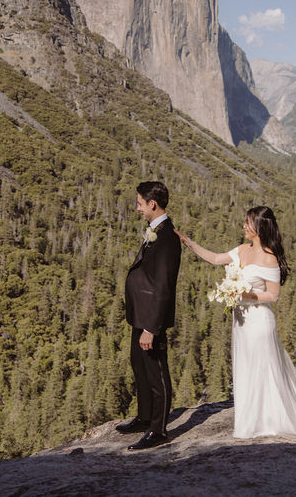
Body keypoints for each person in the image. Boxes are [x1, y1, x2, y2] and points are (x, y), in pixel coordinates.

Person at [176, 206, 296, 439]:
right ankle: (251, 420)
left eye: (247, 222)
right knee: (246, 367)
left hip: (259, 320)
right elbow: (215, 258)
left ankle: (268, 420)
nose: (243, 226)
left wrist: (244, 295)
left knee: (263, 368)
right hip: (241, 321)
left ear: (259, 227)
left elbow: (273, 296)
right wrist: (188, 242)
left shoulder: (269, 258)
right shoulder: (241, 250)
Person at [117, 181, 181, 450]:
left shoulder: (167, 237)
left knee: (156, 371)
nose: (138, 208)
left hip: (150, 320)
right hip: (139, 315)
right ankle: (144, 417)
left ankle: (159, 430)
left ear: (152, 204)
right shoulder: (156, 230)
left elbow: (164, 286)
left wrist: (152, 328)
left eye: (140, 203)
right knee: (139, 366)